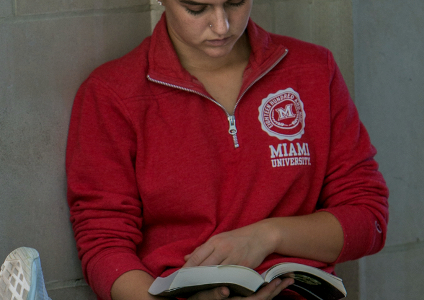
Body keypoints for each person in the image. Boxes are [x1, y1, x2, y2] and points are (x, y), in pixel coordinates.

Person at [65, 0, 389, 299]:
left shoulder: (314, 69)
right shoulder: (112, 93)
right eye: (197, 7)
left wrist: (268, 236)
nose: (222, 26)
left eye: (235, 2)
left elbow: (368, 219)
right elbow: (104, 244)